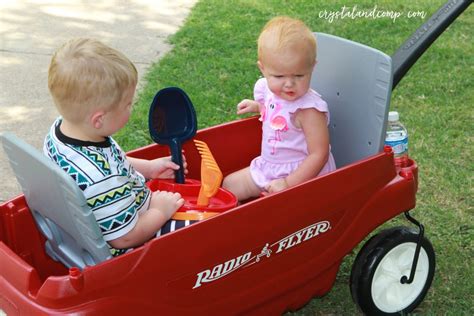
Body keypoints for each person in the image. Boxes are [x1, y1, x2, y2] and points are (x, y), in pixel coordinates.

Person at [44, 38, 188, 257]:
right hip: (131, 246)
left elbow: (113, 161)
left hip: (110, 219)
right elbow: (124, 238)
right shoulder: (101, 180)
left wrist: (149, 168)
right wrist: (160, 211)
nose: (132, 108)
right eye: (128, 104)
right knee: (202, 227)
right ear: (98, 119)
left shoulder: (62, 132)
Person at [223, 16, 336, 201]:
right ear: (263, 69)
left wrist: (288, 183)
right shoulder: (268, 91)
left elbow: (319, 154)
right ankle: (242, 226)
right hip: (269, 167)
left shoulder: (309, 110)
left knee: (277, 207)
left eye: (299, 75)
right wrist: (258, 106)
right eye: (279, 76)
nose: (289, 84)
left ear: (312, 68)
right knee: (229, 186)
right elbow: (276, 113)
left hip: (302, 175)